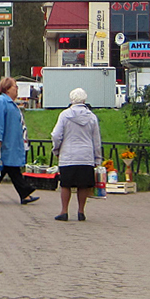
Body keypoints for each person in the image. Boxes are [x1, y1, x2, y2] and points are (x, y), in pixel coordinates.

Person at [0, 76, 40, 206]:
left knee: (3, 167)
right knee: (10, 167)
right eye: (15, 86)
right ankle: (25, 193)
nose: (17, 89)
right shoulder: (1, 101)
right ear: (7, 89)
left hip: (11, 141)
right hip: (5, 142)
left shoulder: (9, 102)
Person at [49, 87, 101, 221]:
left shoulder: (65, 115)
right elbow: (96, 140)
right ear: (84, 99)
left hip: (68, 155)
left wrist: (56, 149)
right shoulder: (91, 117)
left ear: (71, 99)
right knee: (83, 185)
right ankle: (81, 211)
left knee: (66, 184)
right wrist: (97, 158)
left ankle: (64, 211)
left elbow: (56, 135)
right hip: (86, 156)